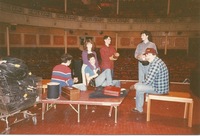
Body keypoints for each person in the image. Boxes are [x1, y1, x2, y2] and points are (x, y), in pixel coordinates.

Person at [132, 48, 169, 113]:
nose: (146, 56)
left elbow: (148, 81)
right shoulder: (156, 61)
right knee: (139, 87)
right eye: (145, 54)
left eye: (147, 54)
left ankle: (139, 109)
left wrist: (136, 85)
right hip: (159, 86)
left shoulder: (155, 64)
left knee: (138, 87)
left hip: (159, 89)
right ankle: (138, 108)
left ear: (153, 55)